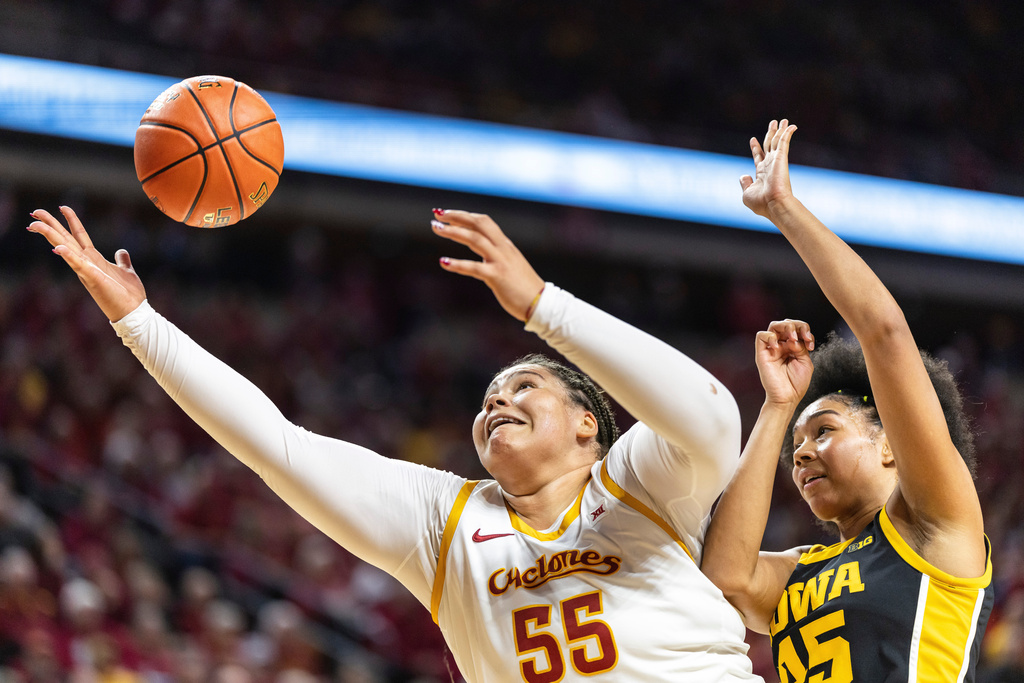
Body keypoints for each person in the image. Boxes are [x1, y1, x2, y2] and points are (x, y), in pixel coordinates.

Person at [29, 206, 761, 681]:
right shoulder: (444, 520)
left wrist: (545, 308)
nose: (496, 402)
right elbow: (277, 445)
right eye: (488, 398)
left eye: (523, 387)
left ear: (586, 425)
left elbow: (712, 416)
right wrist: (140, 324)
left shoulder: (636, 480)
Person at [702, 120, 993, 682]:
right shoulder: (799, 572)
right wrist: (778, 406)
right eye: (798, 444)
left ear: (888, 445)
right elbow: (725, 581)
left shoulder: (935, 524)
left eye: (824, 430)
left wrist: (784, 209)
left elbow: (884, 333)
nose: (801, 454)